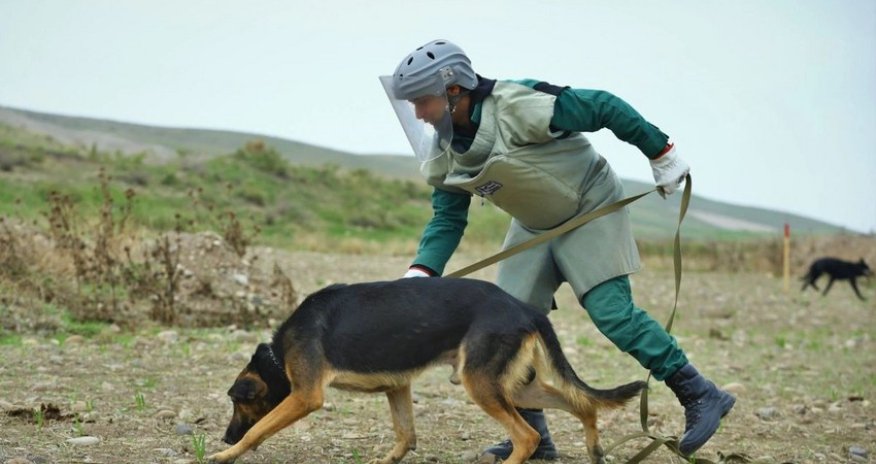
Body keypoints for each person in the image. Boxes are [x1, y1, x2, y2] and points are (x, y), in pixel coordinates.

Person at [381, 39, 735, 461]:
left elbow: (603, 105)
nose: (418, 114)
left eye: (423, 102)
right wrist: (420, 274)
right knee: (504, 326)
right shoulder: (442, 153)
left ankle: (700, 393)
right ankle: (537, 440)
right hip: (534, 227)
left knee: (612, 314)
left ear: (453, 90)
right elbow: (446, 219)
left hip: (591, 205)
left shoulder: (519, 104)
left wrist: (660, 151)